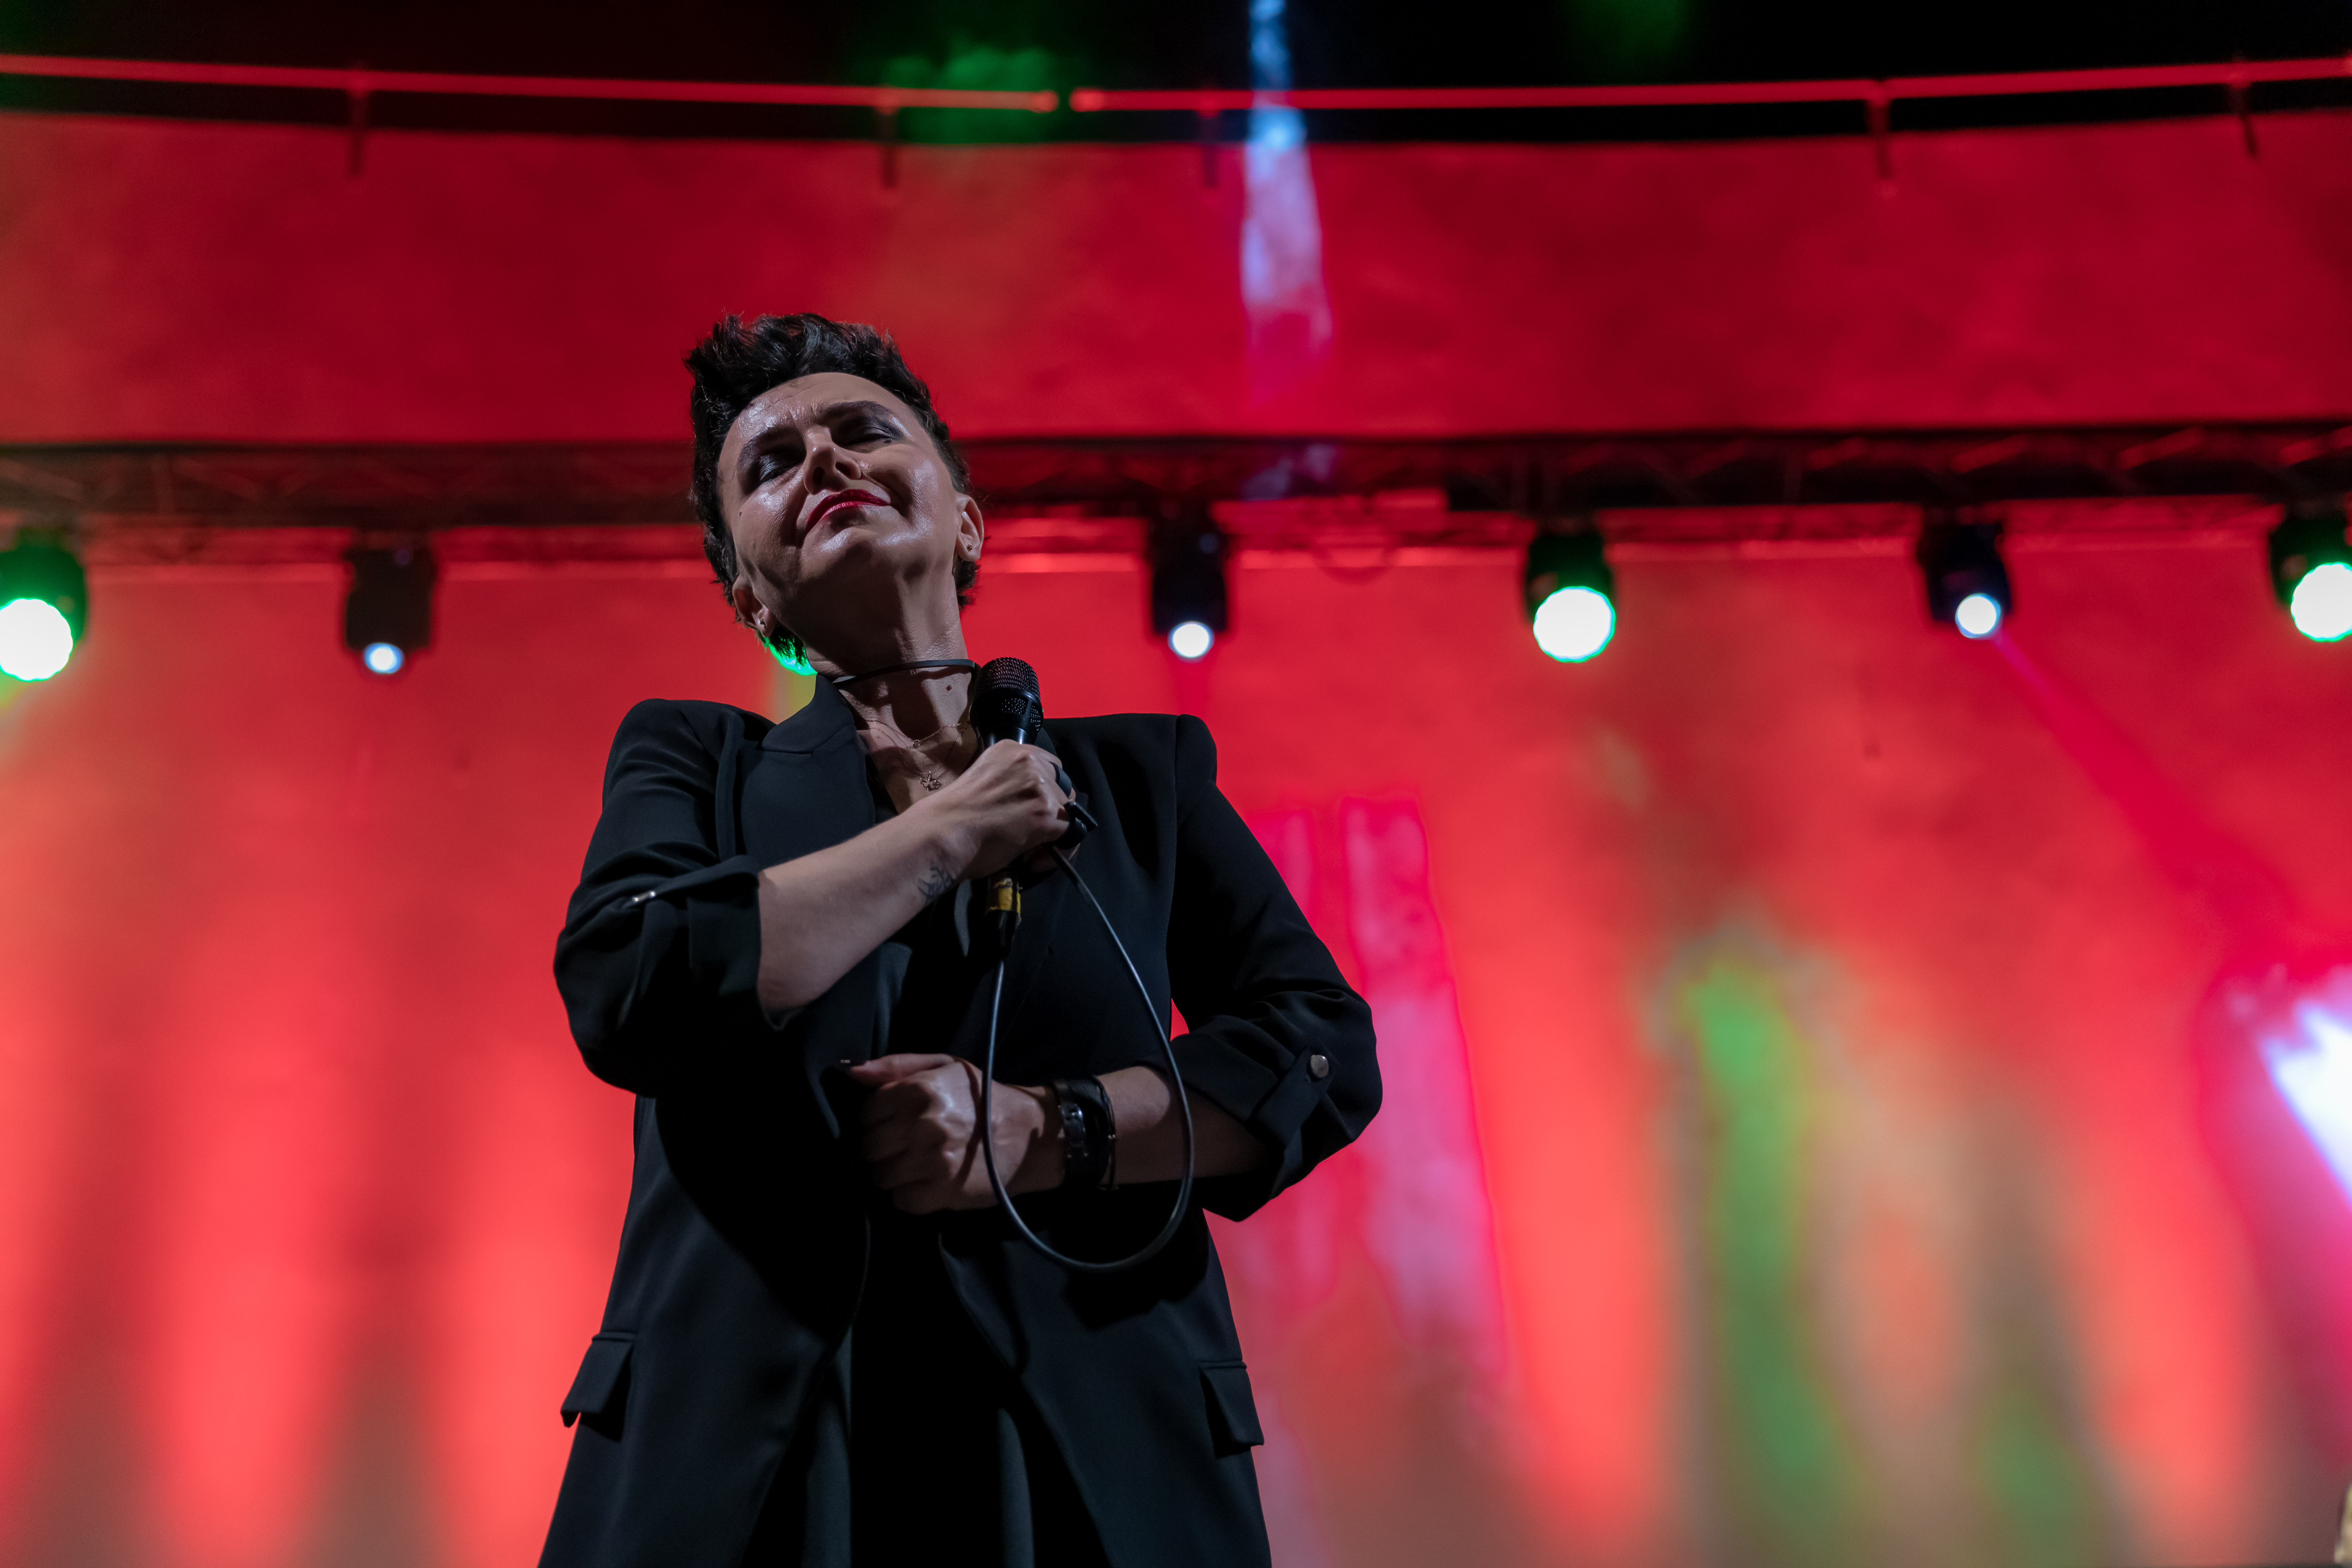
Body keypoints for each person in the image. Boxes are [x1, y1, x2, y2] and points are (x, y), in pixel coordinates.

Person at [539, 313, 1379, 1568]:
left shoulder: (1141, 780)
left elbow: (1322, 1052)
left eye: (862, 431)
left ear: (967, 521)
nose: (823, 461)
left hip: (1089, 1459)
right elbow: (632, 987)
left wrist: (1046, 1131)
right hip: (748, 1472)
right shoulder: (696, 761)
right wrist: (948, 831)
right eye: (770, 465)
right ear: (750, 596)